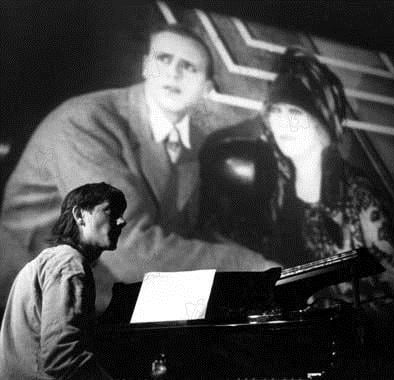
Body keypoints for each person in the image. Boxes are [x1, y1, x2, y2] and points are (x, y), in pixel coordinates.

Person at [0, 23, 276, 314]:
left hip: (101, 290)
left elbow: (182, 235)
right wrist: (254, 268)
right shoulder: (87, 121)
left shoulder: (194, 144)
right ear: (145, 67)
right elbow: (128, 249)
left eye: (189, 67)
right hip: (29, 301)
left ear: (206, 90)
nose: (173, 73)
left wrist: (262, 262)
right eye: (163, 59)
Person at [201, 46, 394, 303]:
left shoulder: (359, 195)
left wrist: (321, 303)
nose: (283, 124)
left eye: (295, 113)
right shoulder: (275, 181)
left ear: (323, 122)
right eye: (277, 111)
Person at [0, 182, 126, 379]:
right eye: (111, 211)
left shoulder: (54, 260)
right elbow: (63, 357)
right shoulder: (69, 263)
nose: (122, 221)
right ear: (79, 215)